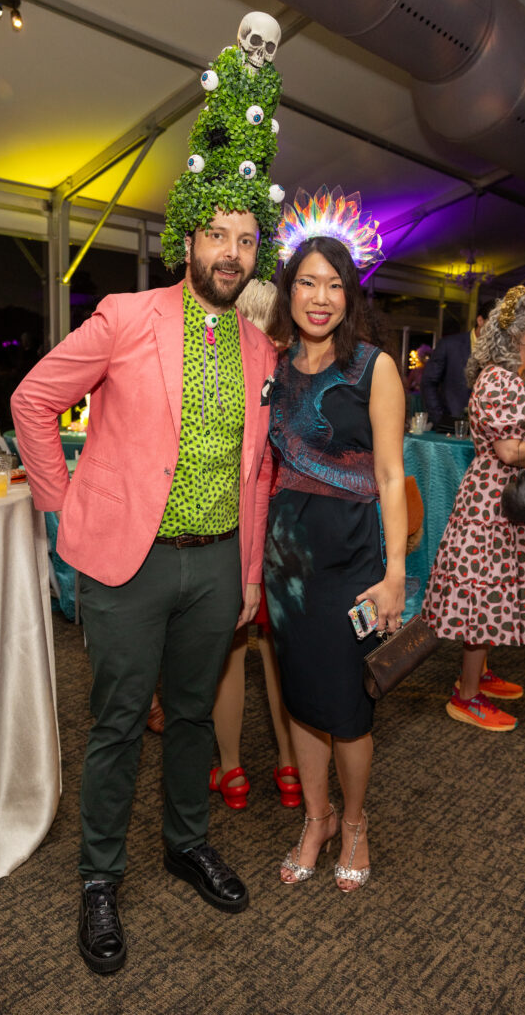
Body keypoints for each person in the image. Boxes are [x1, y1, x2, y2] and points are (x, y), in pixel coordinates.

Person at [12, 15, 285, 976]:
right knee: (118, 723)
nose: (230, 250)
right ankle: (98, 878)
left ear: (256, 255)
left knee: (195, 710)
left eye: (246, 239)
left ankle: (184, 841)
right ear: (189, 237)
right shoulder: (127, 317)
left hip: (214, 567)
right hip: (125, 565)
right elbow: (33, 398)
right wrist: (60, 505)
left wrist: (248, 577)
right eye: (216, 232)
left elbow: (259, 472)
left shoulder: (261, 351)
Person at [264, 213, 406, 893]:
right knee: (299, 701)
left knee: (347, 707)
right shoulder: (275, 368)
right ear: (288, 291)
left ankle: (354, 823)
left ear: (350, 296)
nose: (319, 298)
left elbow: (387, 476)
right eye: (306, 283)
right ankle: (314, 819)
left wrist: (396, 575)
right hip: (285, 568)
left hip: (351, 564)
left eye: (333, 286)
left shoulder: (372, 368)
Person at [422, 286, 525, 730]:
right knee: (483, 595)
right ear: (515, 335)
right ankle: (467, 695)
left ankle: (479, 675)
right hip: (492, 508)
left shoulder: (510, 381)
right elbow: (509, 452)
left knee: (492, 588)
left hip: (500, 507)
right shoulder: (500, 381)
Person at [209, 279, 299, 810]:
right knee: (281, 654)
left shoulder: (231, 369)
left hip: (240, 530)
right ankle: (290, 769)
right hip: (289, 535)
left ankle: (232, 770)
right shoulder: (295, 371)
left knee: (231, 651)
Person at [422, 298, 495, 428]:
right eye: (494, 324)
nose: (497, 330)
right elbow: (428, 383)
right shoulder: (449, 345)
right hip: (450, 424)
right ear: (480, 321)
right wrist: (439, 417)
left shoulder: (499, 351)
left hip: (486, 428)